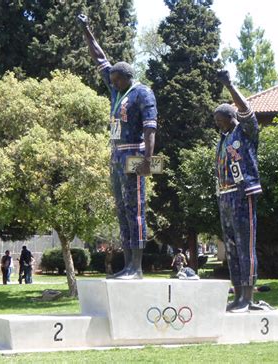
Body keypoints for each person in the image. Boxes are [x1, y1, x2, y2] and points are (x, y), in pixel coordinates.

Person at [78, 14, 158, 280]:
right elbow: (100, 59)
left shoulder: (142, 93)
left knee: (135, 209)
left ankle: (137, 266)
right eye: (111, 80)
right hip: (116, 156)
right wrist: (87, 30)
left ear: (127, 77)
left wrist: (148, 159)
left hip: (135, 154)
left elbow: (150, 128)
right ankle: (127, 265)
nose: (112, 83)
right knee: (122, 210)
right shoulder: (116, 92)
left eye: (116, 80)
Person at [214, 70, 262, 313]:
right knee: (231, 247)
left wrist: (230, 85)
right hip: (225, 196)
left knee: (245, 245)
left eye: (221, 120)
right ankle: (237, 295)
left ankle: (249, 296)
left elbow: (247, 111)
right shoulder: (223, 139)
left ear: (231, 117)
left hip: (243, 194)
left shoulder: (246, 132)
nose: (218, 125)